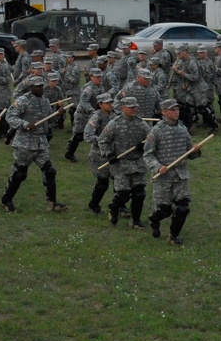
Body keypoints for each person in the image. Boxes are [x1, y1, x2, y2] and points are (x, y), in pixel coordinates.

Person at [1, 76, 68, 213]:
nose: (40, 88)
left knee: (49, 171)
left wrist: (58, 114)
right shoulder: (22, 101)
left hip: (41, 143)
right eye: (37, 86)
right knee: (20, 174)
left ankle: (52, 202)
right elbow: (10, 117)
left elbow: (48, 121)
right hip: (24, 143)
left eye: (42, 86)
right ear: (31, 87)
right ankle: (6, 200)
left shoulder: (45, 101)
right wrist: (25, 124)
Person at [144, 99, 203, 245]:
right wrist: (157, 167)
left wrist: (195, 150)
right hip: (163, 176)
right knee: (164, 209)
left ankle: (173, 235)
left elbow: (190, 153)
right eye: (172, 110)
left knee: (183, 207)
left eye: (177, 109)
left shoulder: (183, 129)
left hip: (181, 175)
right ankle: (154, 219)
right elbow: (148, 154)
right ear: (164, 112)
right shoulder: (156, 131)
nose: (176, 112)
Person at [98, 96, 151, 228]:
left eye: (135, 107)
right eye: (131, 107)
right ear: (123, 108)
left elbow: (151, 141)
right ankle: (114, 208)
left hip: (138, 163)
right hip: (121, 163)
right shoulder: (114, 124)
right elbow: (102, 141)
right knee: (123, 193)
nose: (134, 109)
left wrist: (144, 146)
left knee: (139, 194)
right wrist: (109, 154)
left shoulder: (142, 124)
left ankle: (136, 221)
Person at [83, 92, 116, 214]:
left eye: (111, 102)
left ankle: (119, 206)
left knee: (120, 183)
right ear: (100, 104)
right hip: (99, 155)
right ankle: (94, 204)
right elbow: (87, 135)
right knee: (103, 184)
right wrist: (103, 140)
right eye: (107, 103)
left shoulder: (115, 115)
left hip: (113, 154)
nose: (110, 105)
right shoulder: (96, 117)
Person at [65, 67, 106, 161]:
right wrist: (92, 110)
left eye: (100, 76)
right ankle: (69, 153)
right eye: (97, 77)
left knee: (98, 133)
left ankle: (99, 154)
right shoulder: (88, 88)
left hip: (95, 113)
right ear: (91, 77)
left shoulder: (101, 87)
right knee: (79, 136)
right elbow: (83, 102)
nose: (99, 78)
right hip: (82, 115)